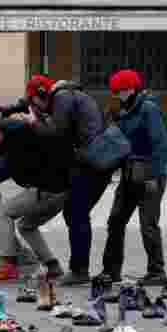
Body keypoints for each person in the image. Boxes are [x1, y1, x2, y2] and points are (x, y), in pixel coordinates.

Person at [17, 75, 111, 286]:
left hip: (92, 162)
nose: (36, 108)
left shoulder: (62, 98)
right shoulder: (69, 97)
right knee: (76, 212)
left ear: (41, 94)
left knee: (76, 212)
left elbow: (57, 134)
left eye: (34, 102)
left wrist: (34, 123)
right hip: (95, 161)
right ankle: (81, 269)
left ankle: (79, 271)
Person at [0, 99, 70, 282]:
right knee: (26, 226)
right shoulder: (23, 136)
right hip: (62, 193)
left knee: (3, 212)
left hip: (46, 191)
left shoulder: (16, 141)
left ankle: (7, 266)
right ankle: (53, 266)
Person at [99, 69, 167, 287]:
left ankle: (157, 272)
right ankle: (111, 271)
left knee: (148, 225)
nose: (116, 95)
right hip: (130, 175)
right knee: (115, 221)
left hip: (149, 176)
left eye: (119, 91)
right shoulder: (126, 110)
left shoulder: (148, 108)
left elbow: (159, 144)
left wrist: (153, 176)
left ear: (131, 89)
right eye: (115, 92)